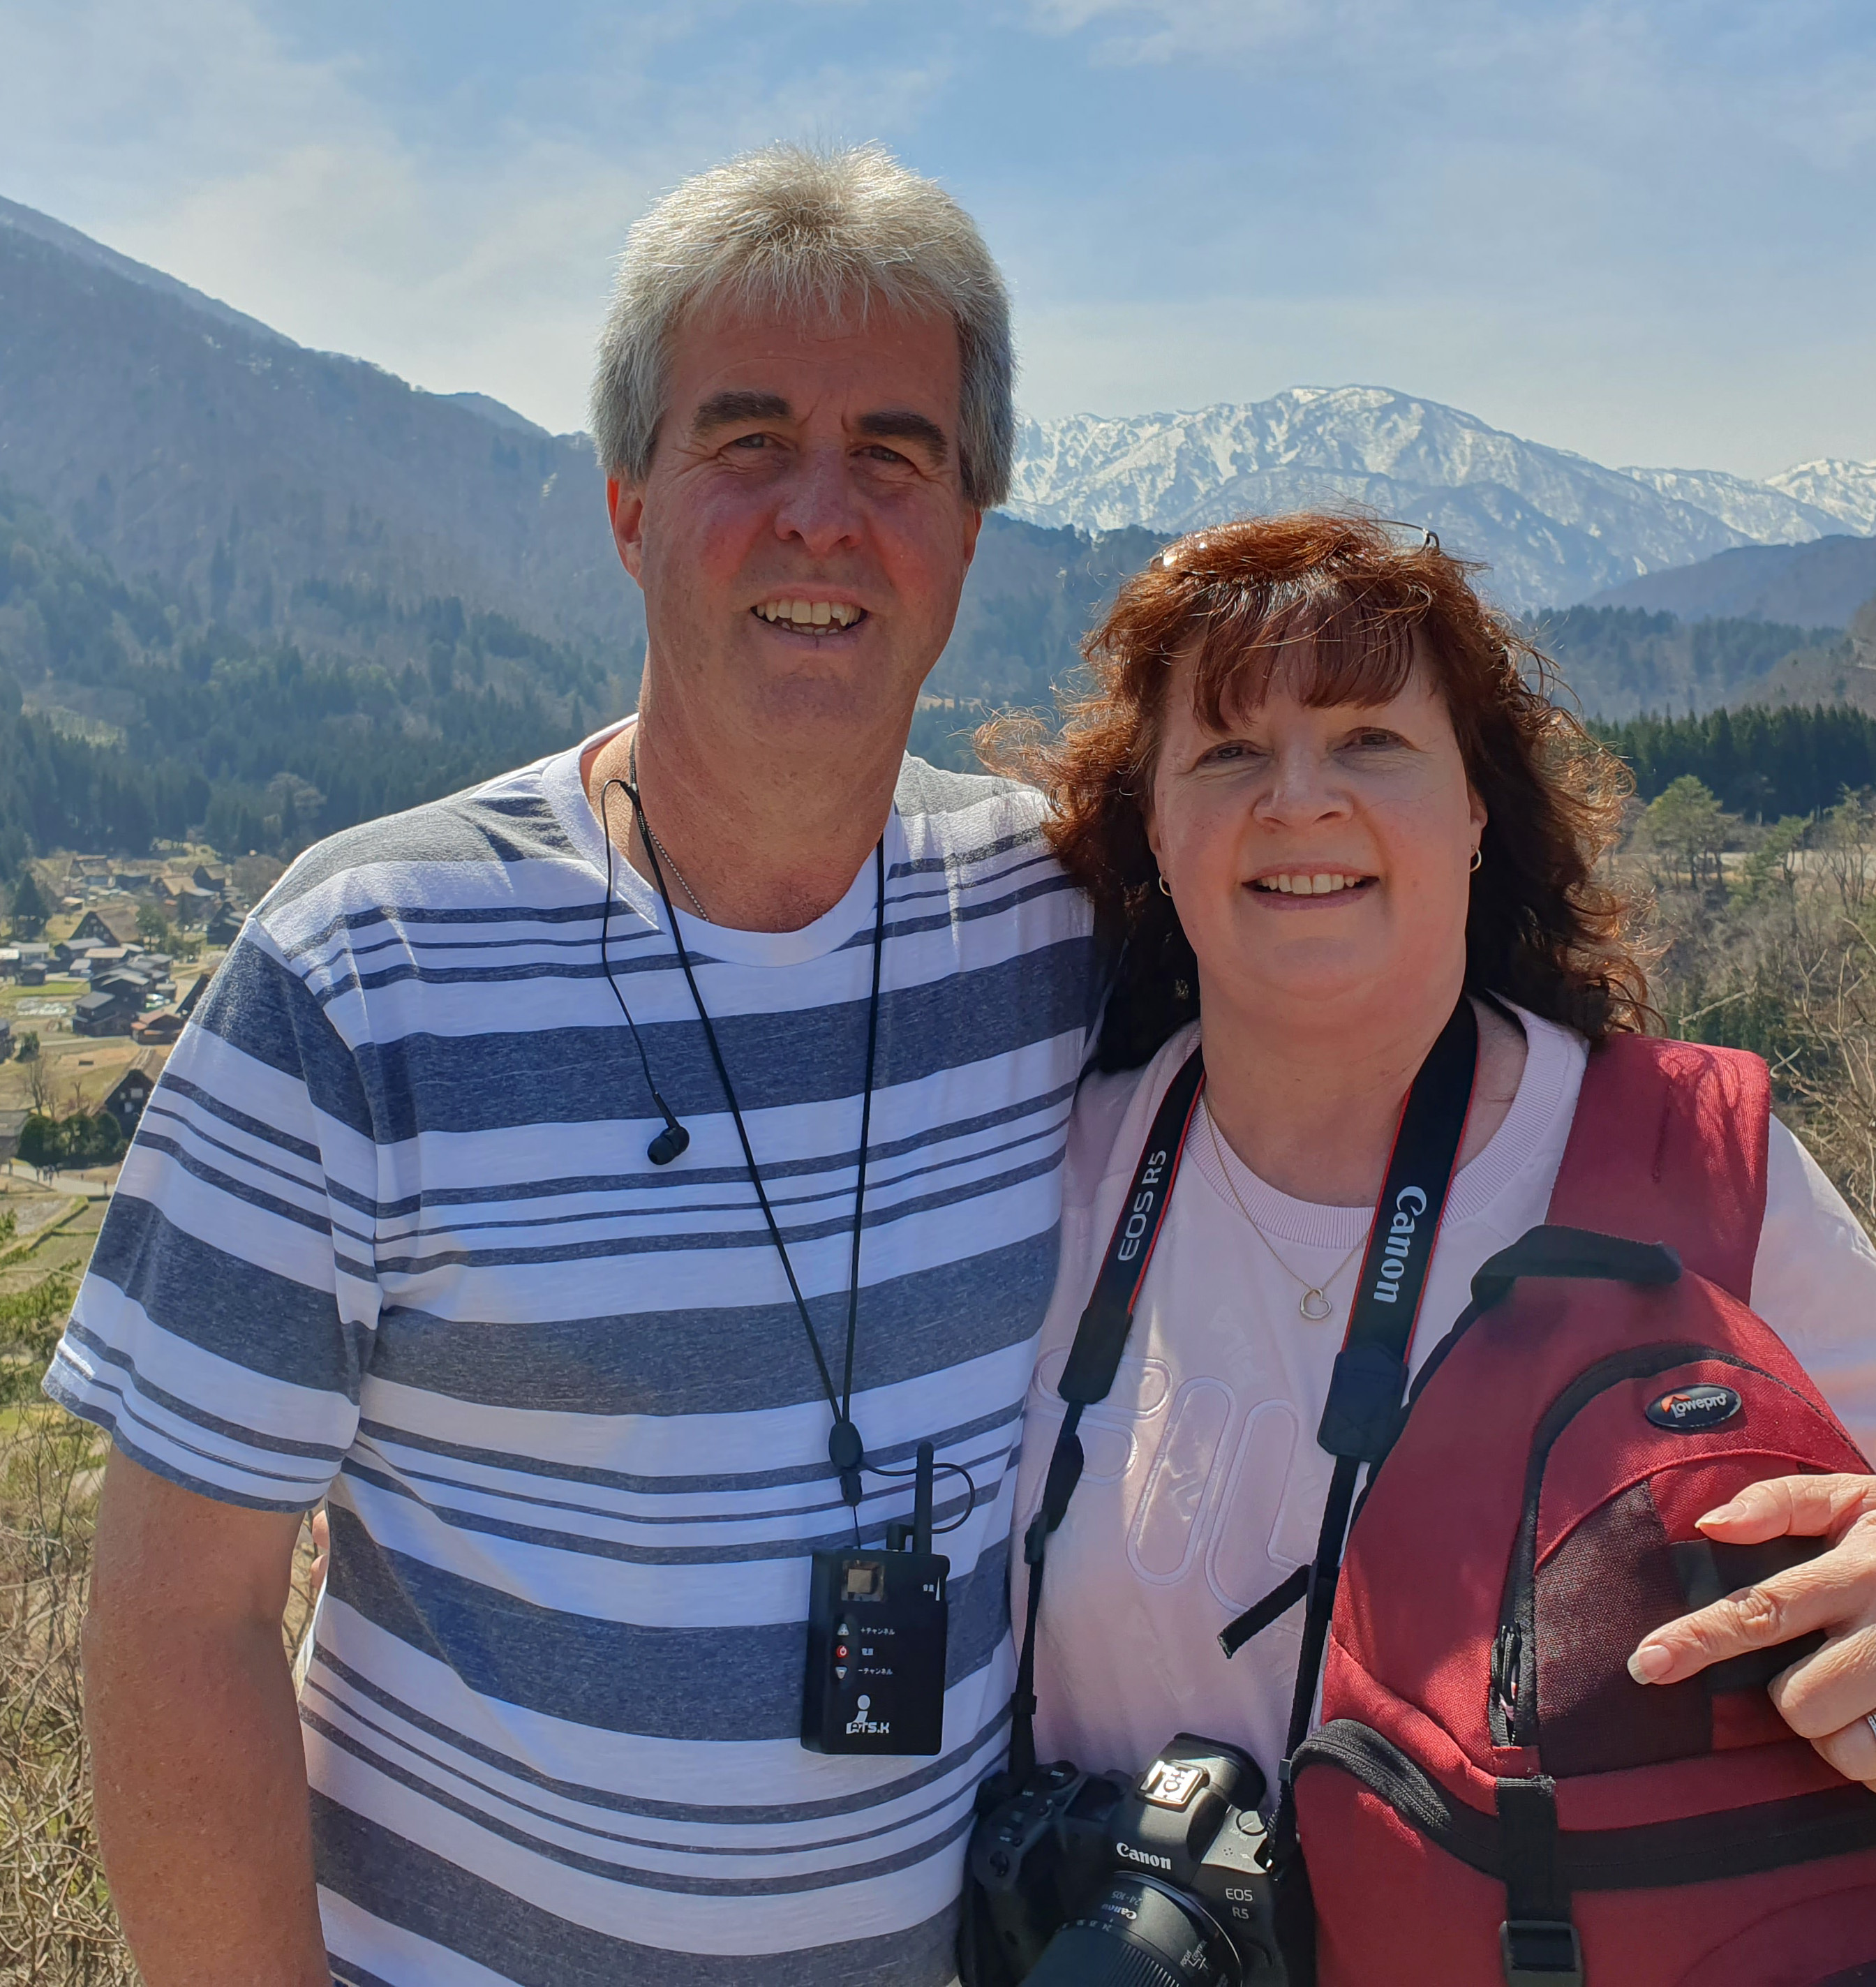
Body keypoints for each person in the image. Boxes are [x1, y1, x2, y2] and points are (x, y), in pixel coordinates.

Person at [49, 145, 1096, 1987]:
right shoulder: (368, 970)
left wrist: (1784, 1436)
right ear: (629, 506)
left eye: (895, 455)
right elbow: (174, 1626)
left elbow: (1411, 1091)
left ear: (968, 529)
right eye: (747, 441)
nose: (820, 516)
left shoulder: (1061, 929)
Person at [996, 512, 1876, 1808]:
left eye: (1370, 740)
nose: (1299, 798)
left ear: (1473, 805)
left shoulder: (1695, 1169)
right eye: (1231, 751)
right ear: (1157, 835)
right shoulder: (1050, 1169)